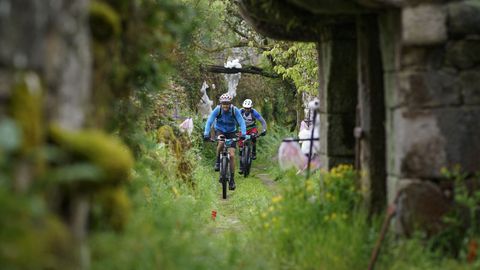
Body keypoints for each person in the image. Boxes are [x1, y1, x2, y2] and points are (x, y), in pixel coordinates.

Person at [204, 93, 246, 190]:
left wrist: (243, 134)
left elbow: (241, 122)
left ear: (230, 103)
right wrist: (206, 134)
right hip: (220, 130)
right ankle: (218, 161)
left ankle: (232, 179)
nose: (225, 106)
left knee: (231, 155)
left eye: (227, 104)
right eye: (224, 104)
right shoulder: (218, 110)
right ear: (221, 104)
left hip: (232, 132)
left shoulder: (234, 110)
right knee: (221, 142)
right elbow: (209, 121)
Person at [238, 99, 267, 166]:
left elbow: (263, 121)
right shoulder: (240, 111)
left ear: (251, 107)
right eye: (245, 108)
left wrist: (264, 130)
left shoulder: (254, 112)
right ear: (243, 107)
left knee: (254, 136)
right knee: (240, 145)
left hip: (252, 128)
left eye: (248, 108)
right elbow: (233, 119)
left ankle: (253, 152)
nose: (247, 110)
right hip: (242, 129)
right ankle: (241, 165)